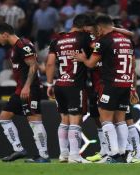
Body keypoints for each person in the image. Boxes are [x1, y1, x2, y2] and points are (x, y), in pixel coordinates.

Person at [74, 15, 135, 163]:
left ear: (100, 28)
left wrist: (82, 59)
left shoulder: (104, 41)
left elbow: (90, 64)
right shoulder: (126, 40)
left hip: (110, 84)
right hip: (125, 84)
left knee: (106, 120)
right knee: (120, 120)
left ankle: (113, 155)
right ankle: (122, 153)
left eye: (97, 29)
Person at [0, 23, 50, 163]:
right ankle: (18, 149)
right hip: (20, 90)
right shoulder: (16, 47)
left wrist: (27, 86)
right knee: (4, 117)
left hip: (29, 89)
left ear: (5, 34)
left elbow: (33, 65)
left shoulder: (22, 44)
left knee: (34, 121)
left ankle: (43, 155)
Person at [46, 14, 93, 163]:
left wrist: (49, 84)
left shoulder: (57, 40)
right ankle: (75, 155)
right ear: (84, 26)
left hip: (59, 84)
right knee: (75, 120)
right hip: (75, 84)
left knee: (64, 121)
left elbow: (49, 64)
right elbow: (96, 55)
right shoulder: (84, 38)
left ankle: (64, 154)